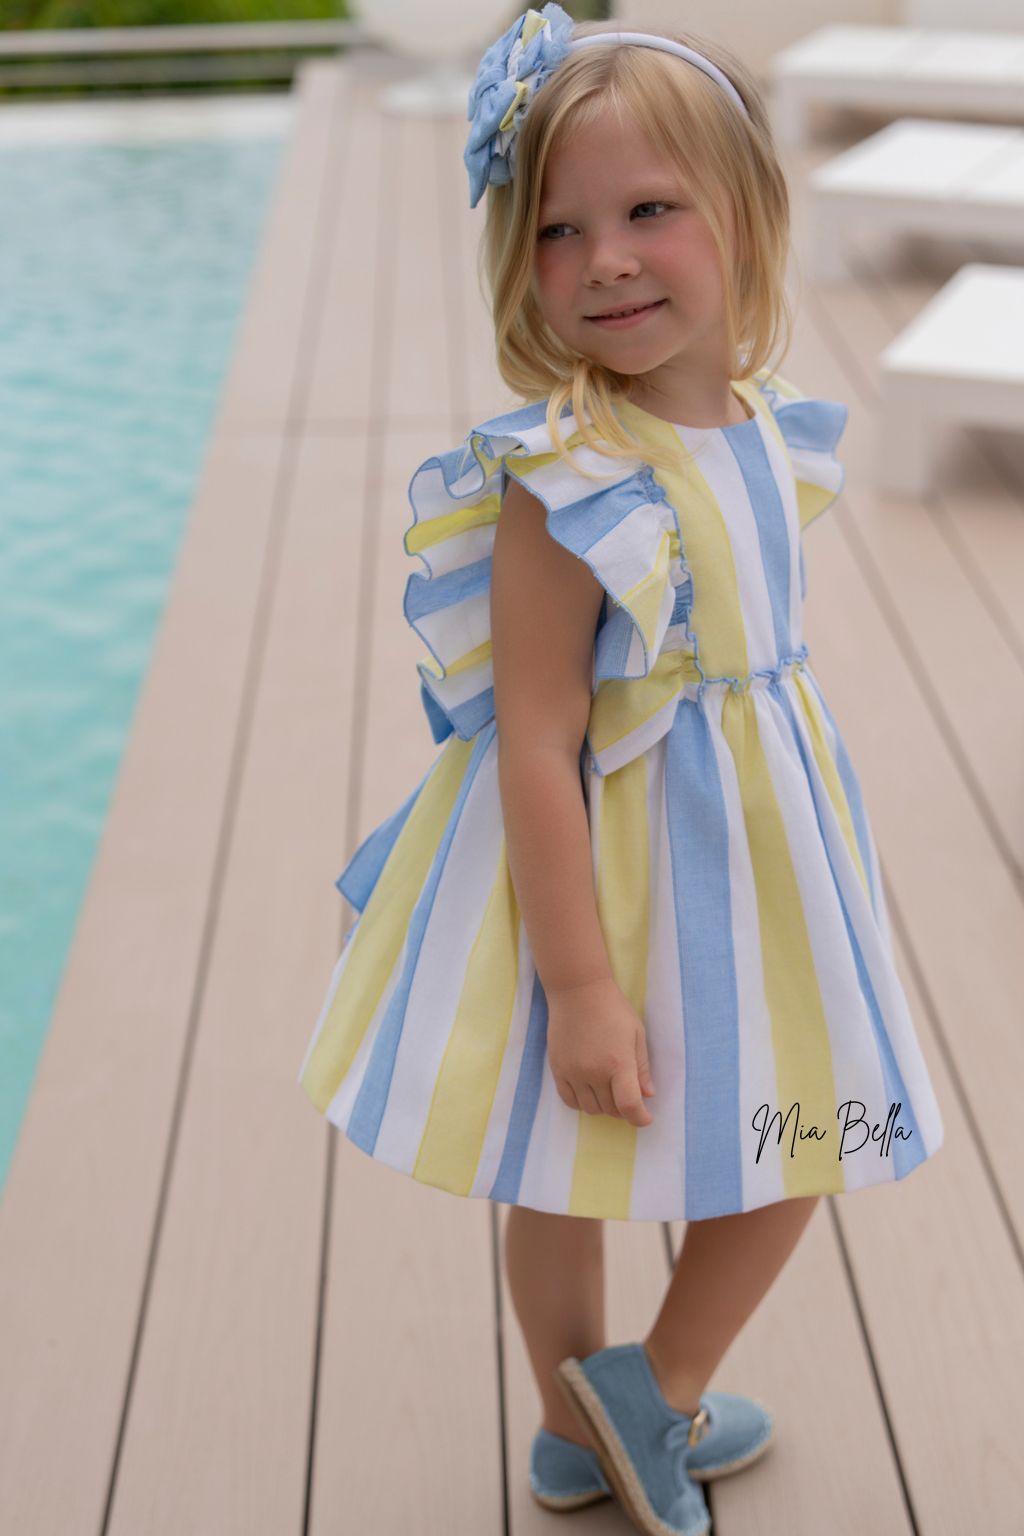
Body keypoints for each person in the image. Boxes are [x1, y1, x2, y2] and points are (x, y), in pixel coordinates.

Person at [296, 8, 945, 1534]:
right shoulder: (565, 481)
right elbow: (533, 735)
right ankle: (578, 1420)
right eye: (559, 228)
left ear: (748, 217)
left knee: (810, 1127)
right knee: (563, 1158)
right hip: (597, 871)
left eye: (650, 210)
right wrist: (582, 987)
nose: (604, 261)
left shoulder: (767, 430)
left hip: (756, 858)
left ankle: (648, 1390)